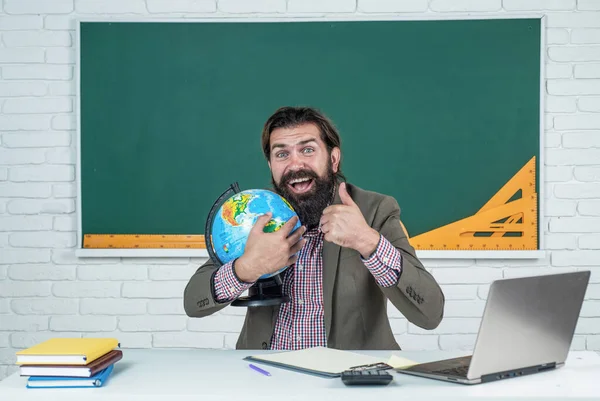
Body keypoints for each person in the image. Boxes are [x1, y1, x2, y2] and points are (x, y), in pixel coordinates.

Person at [184, 106, 445, 350]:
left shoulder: (374, 210)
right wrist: (246, 269)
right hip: (265, 377)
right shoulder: (257, 213)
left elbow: (430, 313)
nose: (295, 165)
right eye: (282, 154)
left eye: (307, 150)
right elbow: (194, 302)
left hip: (347, 382)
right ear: (271, 166)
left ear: (333, 159)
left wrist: (367, 242)